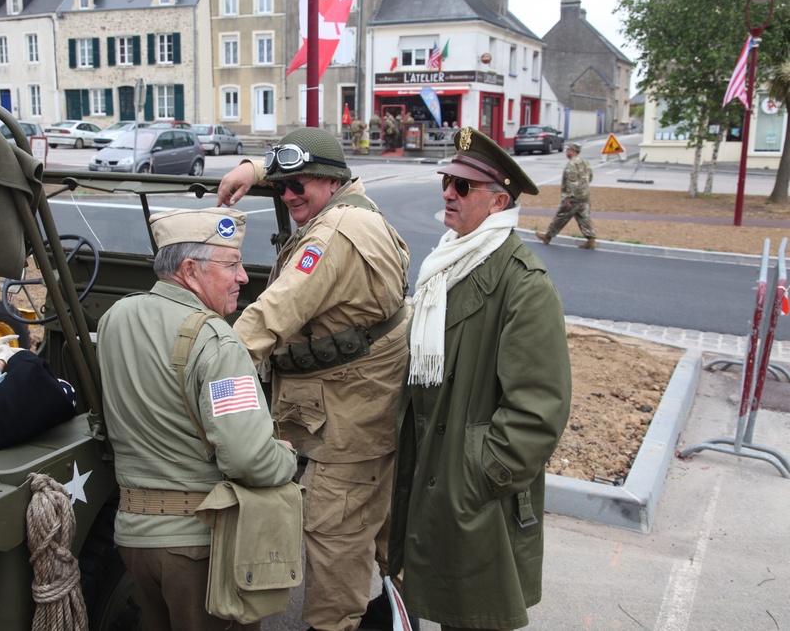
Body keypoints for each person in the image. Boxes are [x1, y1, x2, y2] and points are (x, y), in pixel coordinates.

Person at [216, 127, 412, 631]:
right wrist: (254, 170)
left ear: (329, 180)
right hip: (364, 408)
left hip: (346, 426)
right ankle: (396, 603)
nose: (287, 195)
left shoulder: (333, 235)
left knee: (335, 542)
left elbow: (272, 314)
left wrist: (207, 367)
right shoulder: (356, 206)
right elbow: (306, 168)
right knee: (372, 526)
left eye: (297, 186)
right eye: (280, 186)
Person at [388, 126, 572, 631]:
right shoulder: (447, 263)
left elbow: (538, 411)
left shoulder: (523, 283)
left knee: (472, 619)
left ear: (497, 202)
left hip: (470, 490)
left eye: (462, 186)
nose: (448, 191)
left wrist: (477, 475)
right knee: (436, 604)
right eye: (447, 180)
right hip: (431, 473)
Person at [97, 207, 297, 631]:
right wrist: (285, 458)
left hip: (133, 539)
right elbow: (247, 458)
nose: (243, 277)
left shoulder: (116, 318)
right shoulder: (217, 343)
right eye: (232, 264)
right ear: (190, 270)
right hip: (197, 549)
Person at [536, 141, 597, 249]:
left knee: (561, 216)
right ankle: (591, 240)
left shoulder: (572, 164)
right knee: (583, 217)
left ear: (573, 151)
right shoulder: (585, 162)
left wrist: (567, 198)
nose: (566, 152)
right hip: (584, 195)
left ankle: (548, 236)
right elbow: (590, 177)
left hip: (574, 197)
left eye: (568, 150)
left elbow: (571, 182)